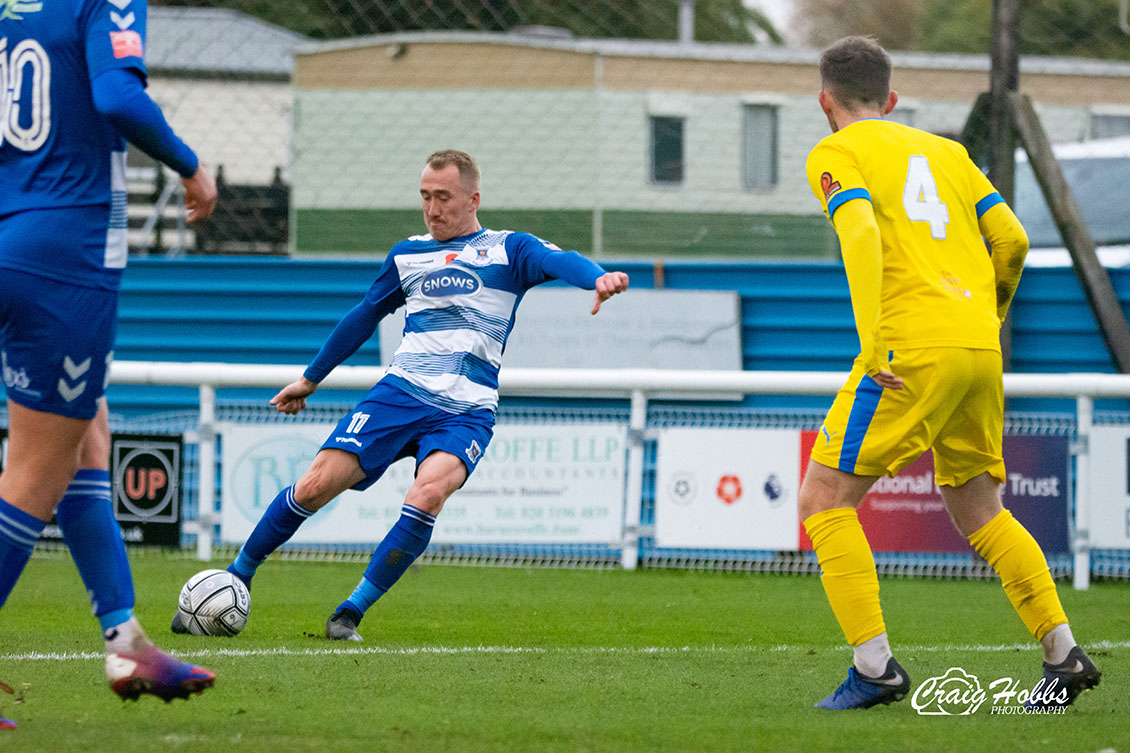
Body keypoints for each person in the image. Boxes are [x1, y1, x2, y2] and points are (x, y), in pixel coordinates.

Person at [192, 149, 629, 641]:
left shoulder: (510, 250)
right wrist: (310, 379)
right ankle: (235, 578)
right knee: (315, 485)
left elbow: (561, 259)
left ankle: (349, 613)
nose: (432, 208)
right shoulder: (407, 254)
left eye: (443, 197)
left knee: (428, 493)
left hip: (466, 410)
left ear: (472, 198)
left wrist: (598, 277)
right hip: (400, 394)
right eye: (425, 197)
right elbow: (364, 314)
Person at [799, 36, 1100, 710]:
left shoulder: (836, 152)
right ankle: (1062, 652)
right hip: (978, 347)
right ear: (893, 100)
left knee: (824, 498)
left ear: (825, 101)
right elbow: (1013, 240)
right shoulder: (950, 153)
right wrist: (989, 313)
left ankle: (874, 667)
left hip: (909, 346)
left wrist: (875, 339)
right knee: (978, 505)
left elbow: (861, 235)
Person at [0, 1, 218, 701]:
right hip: (65, 252)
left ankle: (125, 641)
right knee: (35, 472)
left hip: (13, 231)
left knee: (89, 433)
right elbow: (118, 94)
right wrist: (191, 166)